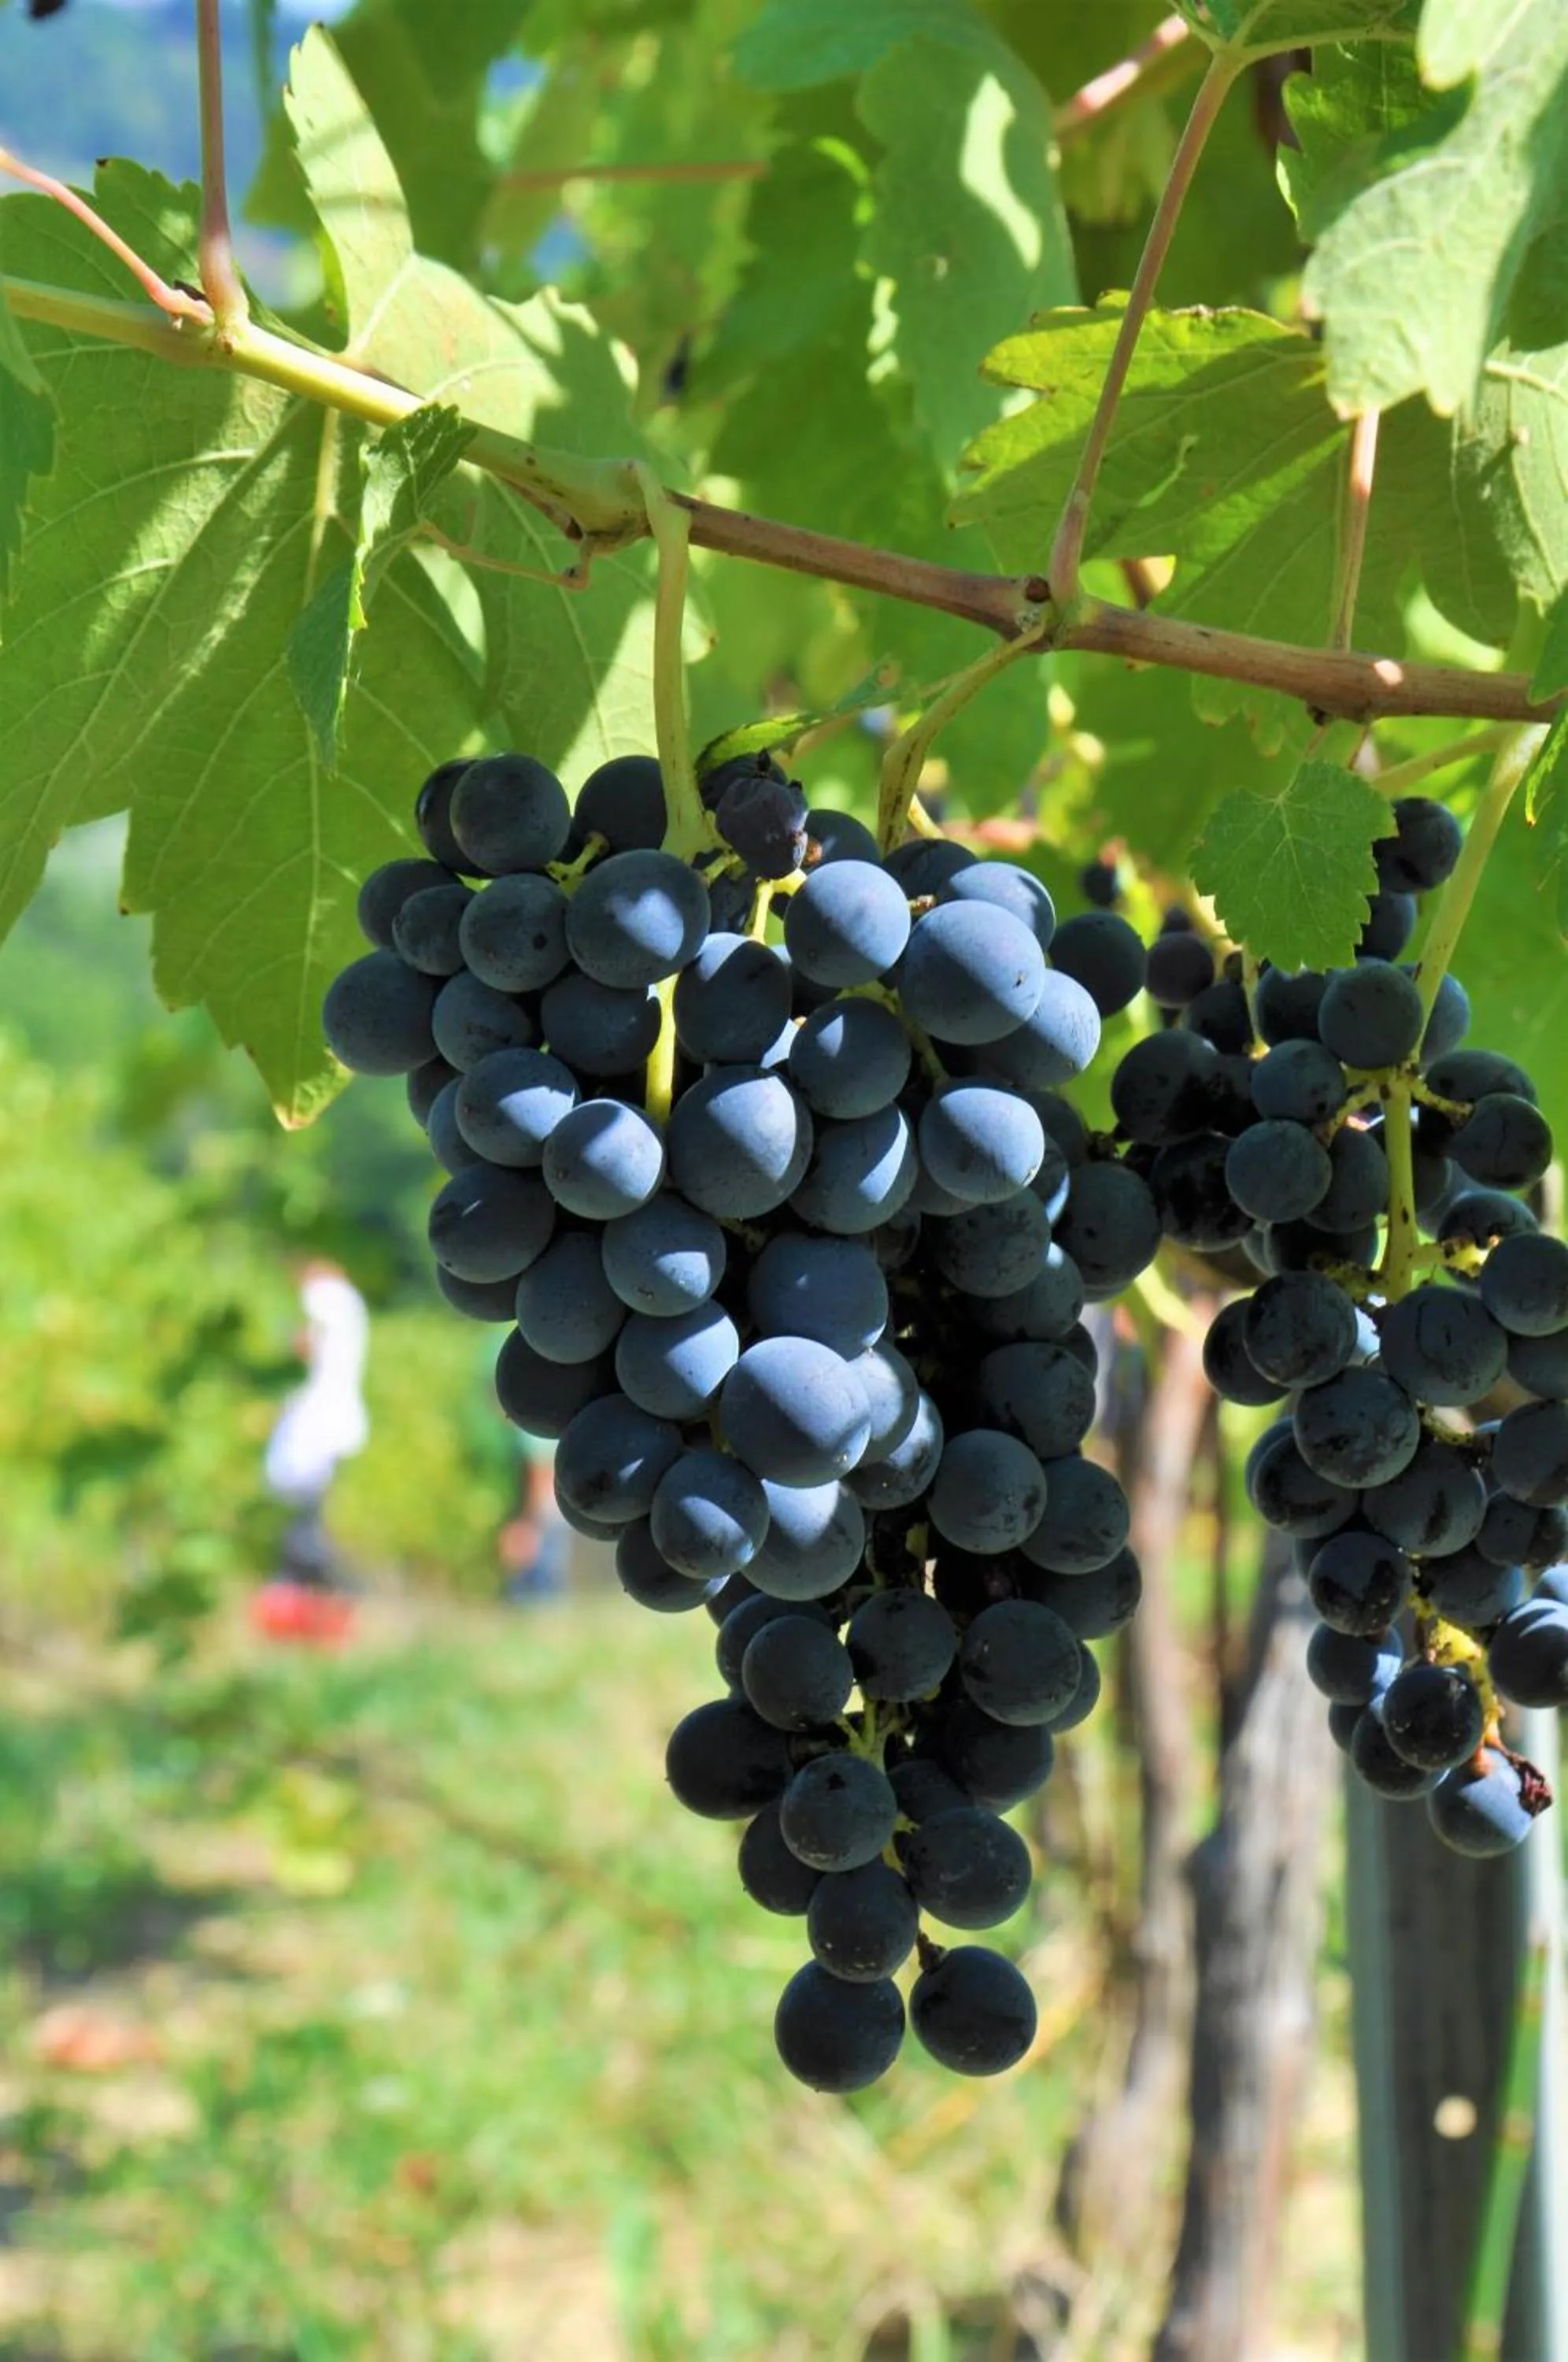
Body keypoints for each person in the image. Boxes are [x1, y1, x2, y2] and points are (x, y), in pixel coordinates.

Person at [261, 1257, 370, 1592]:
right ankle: (310, 1577)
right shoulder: (349, 1298)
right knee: (312, 1505)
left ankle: (313, 1579)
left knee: (303, 1505)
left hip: (314, 1414)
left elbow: (304, 1345)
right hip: (331, 1411)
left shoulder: (323, 1295)